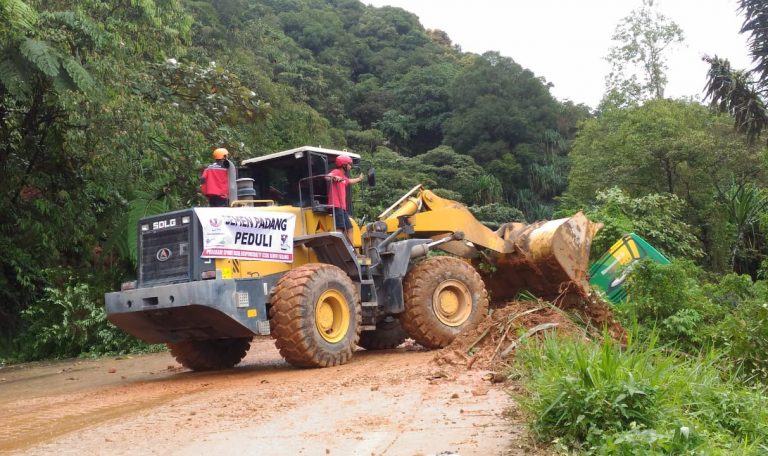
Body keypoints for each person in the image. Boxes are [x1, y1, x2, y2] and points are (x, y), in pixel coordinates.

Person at [329, 154, 363, 242]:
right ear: (344, 165)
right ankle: (340, 249)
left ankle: (352, 251)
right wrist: (334, 177)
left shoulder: (343, 176)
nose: (350, 166)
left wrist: (359, 179)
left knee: (350, 228)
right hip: (336, 205)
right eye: (349, 164)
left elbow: (349, 181)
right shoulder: (336, 172)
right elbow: (327, 177)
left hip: (342, 207)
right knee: (340, 229)